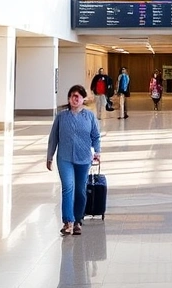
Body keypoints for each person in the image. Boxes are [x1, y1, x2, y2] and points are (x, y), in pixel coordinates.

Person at [46, 85, 101, 237]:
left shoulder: (89, 116)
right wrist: (49, 157)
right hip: (65, 158)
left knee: (80, 190)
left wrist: (97, 152)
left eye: (78, 96)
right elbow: (53, 138)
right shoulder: (61, 117)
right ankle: (67, 222)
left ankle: (77, 220)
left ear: (83, 99)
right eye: (72, 96)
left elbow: (96, 136)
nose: (75, 99)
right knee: (68, 188)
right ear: (69, 99)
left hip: (84, 159)